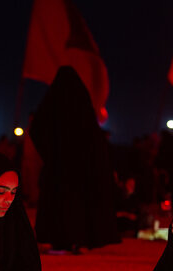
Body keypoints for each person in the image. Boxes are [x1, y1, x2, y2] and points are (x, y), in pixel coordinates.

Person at [29, 66, 119, 253]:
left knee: (59, 201)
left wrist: (50, 153)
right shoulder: (82, 105)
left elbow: (36, 129)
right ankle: (80, 240)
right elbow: (96, 141)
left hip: (58, 168)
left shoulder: (52, 103)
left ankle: (57, 239)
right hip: (80, 169)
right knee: (79, 203)